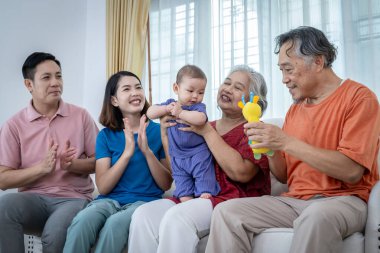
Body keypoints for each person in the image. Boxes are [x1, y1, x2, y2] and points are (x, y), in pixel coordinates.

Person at [205, 26, 380, 253]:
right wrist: (270, 148)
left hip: (345, 200)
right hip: (294, 201)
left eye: (288, 69)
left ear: (318, 62)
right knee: (226, 212)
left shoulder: (359, 98)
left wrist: (285, 142)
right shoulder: (295, 110)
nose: (284, 80)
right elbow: (284, 175)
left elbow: (351, 170)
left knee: (316, 217)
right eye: (281, 70)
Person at [128, 65, 271, 253]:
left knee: (177, 218)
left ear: (253, 99)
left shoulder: (254, 128)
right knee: (143, 215)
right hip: (193, 196)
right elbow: (177, 168)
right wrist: (164, 133)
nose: (227, 89)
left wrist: (206, 131)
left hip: (229, 200)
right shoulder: (196, 122)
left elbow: (241, 173)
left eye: (237, 87)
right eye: (226, 83)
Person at [0, 52, 99, 253]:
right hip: (33, 199)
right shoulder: (14, 125)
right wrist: (41, 169)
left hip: (73, 198)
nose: (56, 82)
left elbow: (102, 161)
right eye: (46, 77)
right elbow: (3, 179)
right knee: (3, 207)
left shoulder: (80, 116)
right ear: (29, 85)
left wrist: (73, 165)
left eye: (59, 76)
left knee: (54, 233)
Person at [63, 71, 172, 253]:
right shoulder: (106, 136)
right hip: (108, 201)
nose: (135, 92)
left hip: (144, 202)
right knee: (82, 221)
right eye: (127, 89)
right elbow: (103, 187)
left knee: (115, 225)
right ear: (114, 100)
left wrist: (146, 151)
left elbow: (166, 184)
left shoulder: (159, 131)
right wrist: (127, 153)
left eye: (138, 87)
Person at [146, 64, 220, 202]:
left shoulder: (198, 107)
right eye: (190, 90)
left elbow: (201, 119)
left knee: (204, 178)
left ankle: (204, 194)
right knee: (182, 187)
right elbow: (150, 113)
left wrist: (181, 113)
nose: (195, 96)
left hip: (198, 153)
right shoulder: (170, 104)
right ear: (176, 88)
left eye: (200, 92)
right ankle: (186, 200)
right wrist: (165, 109)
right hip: (177, 157)